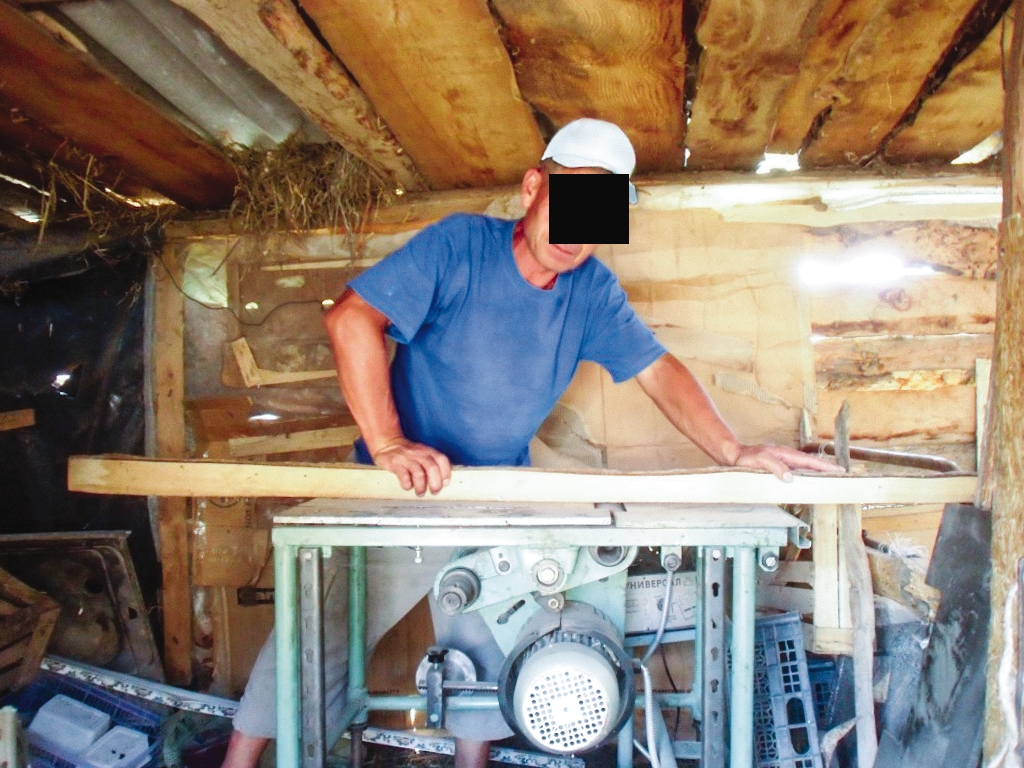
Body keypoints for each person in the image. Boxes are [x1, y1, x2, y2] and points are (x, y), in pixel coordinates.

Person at [221, 118, 837, 768]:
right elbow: (351, 318)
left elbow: (657, 369)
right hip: (399, 492)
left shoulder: (591, 291)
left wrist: (734, 453)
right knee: (313, 639)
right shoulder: (460, 246)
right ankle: (237, 762)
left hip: (496, 499)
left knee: (489, 653)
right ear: (532, 189)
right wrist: (389, 443)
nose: (576, 233)